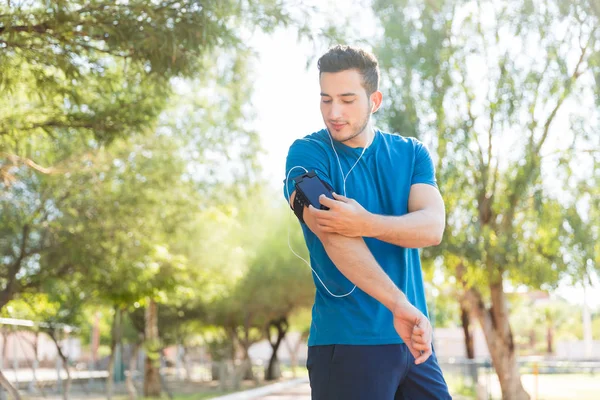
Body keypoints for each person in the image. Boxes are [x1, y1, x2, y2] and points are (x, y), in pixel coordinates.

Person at [282, 45, 452, 399]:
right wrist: (400, 306)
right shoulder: (307, 156)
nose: (334, 112)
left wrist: (365, 222)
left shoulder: (412, 153)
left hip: (413, 343)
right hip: (347, 344)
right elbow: (333, 234)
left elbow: (432, 228)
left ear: (374, 100)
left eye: (347, 99)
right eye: (325, 99)